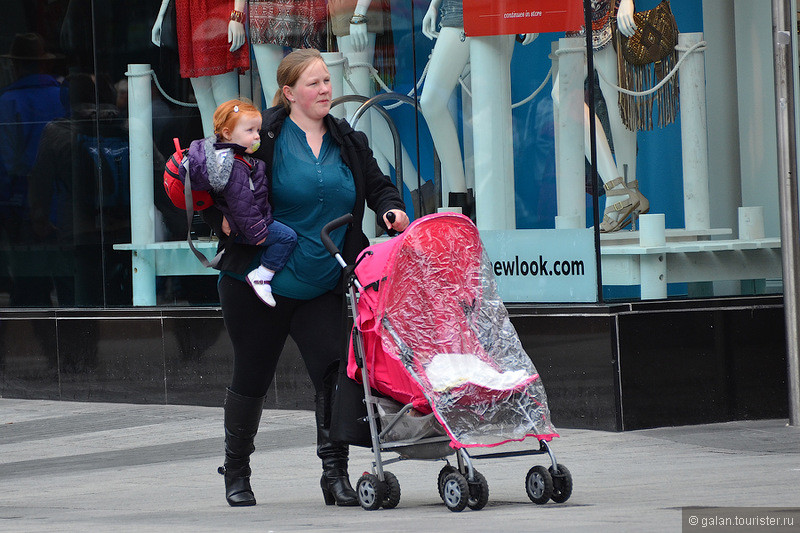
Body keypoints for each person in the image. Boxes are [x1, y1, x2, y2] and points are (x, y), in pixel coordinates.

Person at [204, 48, 409, 507]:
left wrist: (390, 208)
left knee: (335, 376)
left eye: (327, 82)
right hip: (260, 284)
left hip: (324, 280)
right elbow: (219, 177)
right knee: (252, 376)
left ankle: (334, 476)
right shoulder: (264, 135)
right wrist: (222, 217)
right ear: (289, 92)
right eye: (314, 83)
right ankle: (236, 472)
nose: (324, 90)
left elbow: (377, 186)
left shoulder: (348, 140)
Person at [181, 99, 297, 306]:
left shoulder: (233, 160)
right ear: (227, 133)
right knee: (287, 238)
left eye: (258, 130)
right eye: (250, 130)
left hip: (245, 225)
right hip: (248, 228)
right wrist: (257, 231)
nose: (256, 136)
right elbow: (241, 202)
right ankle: (262, 275)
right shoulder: (235, 165)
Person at [552, 0, 649, 232]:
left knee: (614, 98)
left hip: (605, 13)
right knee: (571, 95)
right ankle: (624, 189)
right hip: (580, 16)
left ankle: (620, 190)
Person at [151, 0, 250, 137]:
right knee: (203, 99)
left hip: (215, 8)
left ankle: (230, 154)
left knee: (225, 98)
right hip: (186, 11)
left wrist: (237, 15)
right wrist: (162, 14)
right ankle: (212, 154)